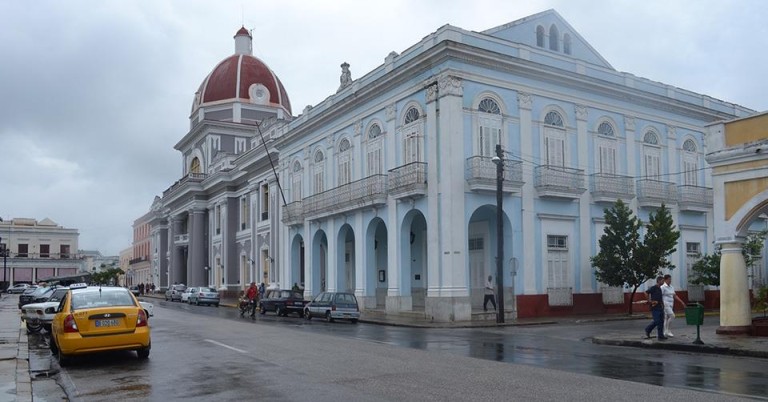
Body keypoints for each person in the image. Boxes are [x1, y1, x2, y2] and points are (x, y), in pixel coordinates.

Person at [644, 276, 667, 340]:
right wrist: (649, 301)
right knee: (657, 321)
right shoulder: (654, 288)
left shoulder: (660, 288)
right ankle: (648, 329)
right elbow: (646, 292)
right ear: (659, 281)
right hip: (654, 307)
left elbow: (660, 298)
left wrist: (663, 305)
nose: (663, 282)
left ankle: (660, 336)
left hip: (660, 306)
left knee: (661, 322)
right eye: (662, 281)